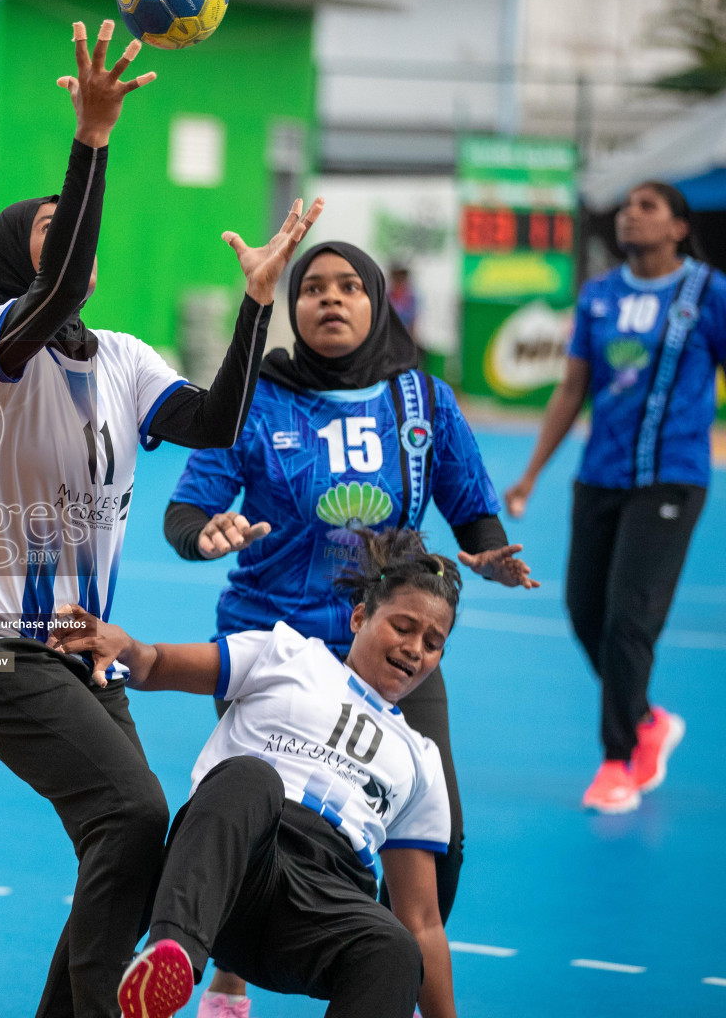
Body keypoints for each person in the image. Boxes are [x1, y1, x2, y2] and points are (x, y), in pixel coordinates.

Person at [0, 20, 322, 1018]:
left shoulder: (126, 357)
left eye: (78, 218)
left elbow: (215, 420)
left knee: (141, 839)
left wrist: (255, 307)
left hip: (76, 648)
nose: (77, 238)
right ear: (17, 266)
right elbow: (54, 283)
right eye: (55, 226)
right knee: (133, 810)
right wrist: (91, 139)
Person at [161, 240, 535, 1018]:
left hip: (386, 650)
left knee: (438, 852)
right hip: (278, 649)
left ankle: (370, 966)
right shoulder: (257, 397)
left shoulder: (423, 401)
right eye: (313, 290)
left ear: (377, 303)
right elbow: (185, 510)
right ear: (294, 310)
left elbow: (474, 514)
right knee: (266, 816)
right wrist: (205, 536)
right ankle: (227, 972)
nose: (330, 300)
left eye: (348, 288)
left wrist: (492, 556)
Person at [48, 528, 461, 1018]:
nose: (416, 648)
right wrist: (127, 647)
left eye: (433, 642)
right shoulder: (287, 654)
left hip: (326, 899)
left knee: (395, 948)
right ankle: (173, 954)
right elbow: (155, 665)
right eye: (403, 627)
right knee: (250, 777)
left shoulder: (421, 757)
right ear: (358, 617)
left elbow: (423, 921)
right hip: (236, 860)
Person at [504, 180, 726, 814]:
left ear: (679, 227)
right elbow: (572, 390)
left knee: (631, 618)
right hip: (599, 476)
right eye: (626, 207)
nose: (631, 215)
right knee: (583, 611)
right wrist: (531, 474)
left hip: (671, 476)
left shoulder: (708, 294)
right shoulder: (599, 296)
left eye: (648, 207)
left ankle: (619, 759)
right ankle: (647, 719)